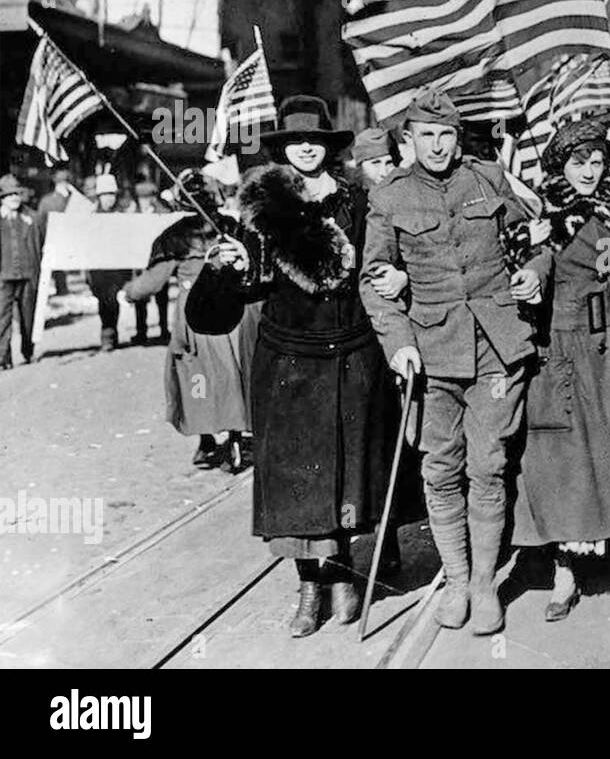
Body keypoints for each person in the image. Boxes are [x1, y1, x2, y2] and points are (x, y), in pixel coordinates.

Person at [187, 95, 404, 637]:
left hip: (353, 354)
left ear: (329, 148)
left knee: (348, 478)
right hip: (288, 362)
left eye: (315, 141)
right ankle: (310, 586)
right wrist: (225, 269)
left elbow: (381, 264)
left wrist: (394, 280)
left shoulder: (358, 203)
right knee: (294, 485)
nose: (305, 148)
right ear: (283, 149)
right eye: (294, 142)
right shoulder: (261, 211)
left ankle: (345, 574)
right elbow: (220, 310)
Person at [361, 87, 550, 635]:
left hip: (495, 344)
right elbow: (375, 282)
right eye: (427, 135)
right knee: (440, 470)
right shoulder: (390, 197)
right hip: (430, 351)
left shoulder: (487, 178)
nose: (439, 145)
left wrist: (536, 272)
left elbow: (534, 239)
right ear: (409, 140)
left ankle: (487, 584)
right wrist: (398, 343)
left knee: (487, 466)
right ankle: (458, 578)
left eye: (447, 134)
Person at [512, 117, 610, 620]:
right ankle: (564, 571)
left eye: (597, 160)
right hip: (561, 348)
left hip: (606, 347)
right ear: (561, 165)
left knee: (603, 452)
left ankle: (601, 551)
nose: (589, 170)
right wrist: (531, 271)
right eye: (578, 162)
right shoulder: (547, 214)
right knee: (563, 461)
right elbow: (537, 260)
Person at [124, 171, 251, 470]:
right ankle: (235, 434)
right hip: (231, 311)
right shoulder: (232, 226)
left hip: (194, 314)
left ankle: (206, 439)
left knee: (196, 376)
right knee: (232, 373)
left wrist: (129, 293)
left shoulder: (175, 237)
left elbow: (151, 283)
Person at [87, 173, 135, 352]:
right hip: (98, 268)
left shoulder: (122, 214)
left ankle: (109, 335)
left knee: (112, 300)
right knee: (103, 301)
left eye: (112, 194)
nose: (109, 199)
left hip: (117, 268)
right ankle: (108, 332)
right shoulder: (90, 215)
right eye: (105, 195)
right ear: (99, 196)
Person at [0, 175, 44, 370]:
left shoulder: (31, 217)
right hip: (4, 277)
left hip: (27, 274)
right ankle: (3, 357)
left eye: (16, 194)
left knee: (28, 316)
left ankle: (28, 351)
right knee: (2, 317)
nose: (14, 198)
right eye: (9, 195)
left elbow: (41, 243)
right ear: (2, 198)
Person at [128, 179, 172, 345]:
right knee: (140, 296)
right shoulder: (134, 213)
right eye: (141, 198)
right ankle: (141, 332)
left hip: (159, 261)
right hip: (140, 261)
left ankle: (163, 330)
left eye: (147, 198)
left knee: (162, 297)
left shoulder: (161, 212)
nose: (144, 202)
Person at [38, 166, 75, 295]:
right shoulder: (53, 201)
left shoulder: (47, 200)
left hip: (57, 238)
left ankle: (61, 287)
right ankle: (61, 287)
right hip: (57, 238)